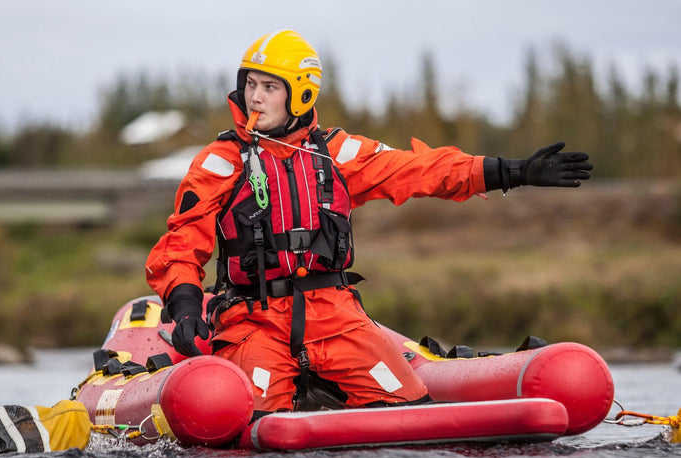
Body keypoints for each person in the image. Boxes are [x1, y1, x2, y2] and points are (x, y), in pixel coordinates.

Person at [145, 29, 592, 416]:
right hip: (254, 320)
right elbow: (181, 245)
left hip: (337, 316)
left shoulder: (337, 154)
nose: (254, 97)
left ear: (300, 94)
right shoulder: (220, 163)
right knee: (251, 418)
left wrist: (514, 172)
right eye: (250, 84)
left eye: (269, 87)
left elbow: (423, 170)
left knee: (410, 409)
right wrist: (186, 308)